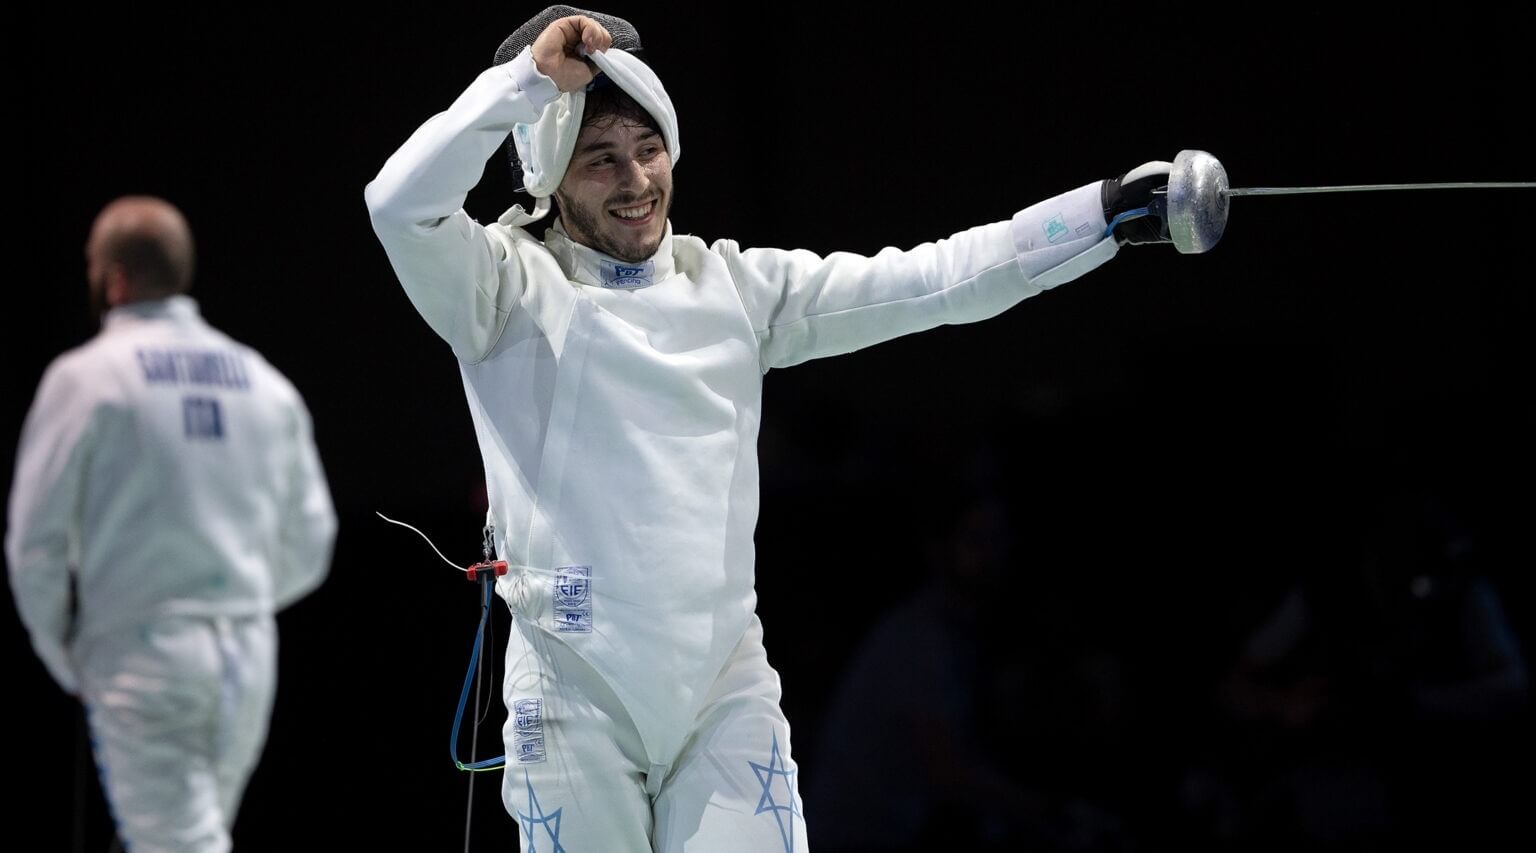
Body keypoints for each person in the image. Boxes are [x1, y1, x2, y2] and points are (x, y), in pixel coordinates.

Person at [365, 8, 1178, 851]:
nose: (637, 180)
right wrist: (528, 82)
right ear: (549, 177)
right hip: (571, 703)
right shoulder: (500, 289)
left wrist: (1104, 214)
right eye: (600, 159)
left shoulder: (735, 290)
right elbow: (397, 204)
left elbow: (938, 278)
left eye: (648, 150)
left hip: (720, 695)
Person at [6, 196, 337, 852]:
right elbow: (311, 540)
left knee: (180, 845)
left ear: (112, 277)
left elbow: (36, 544)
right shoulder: (264, 382)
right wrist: (234, 601)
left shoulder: (86, 379)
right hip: (247, 650)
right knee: (192, 837)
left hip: (142, 650)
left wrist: (65, 653)